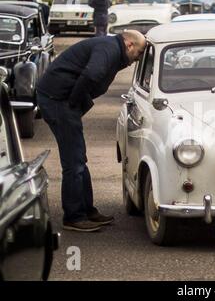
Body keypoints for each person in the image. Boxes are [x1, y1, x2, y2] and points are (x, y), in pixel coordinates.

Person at [36, 30, 147, 232]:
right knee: (74, 162)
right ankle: (74, 216)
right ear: (129, 45)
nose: (137, 59)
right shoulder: (109, 49)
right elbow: (92, 73)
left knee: (79, 159)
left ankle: (87, 210)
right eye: (139, 53)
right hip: (57, 100)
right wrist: (74, 103)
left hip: (60, 99)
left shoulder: (111, 48)